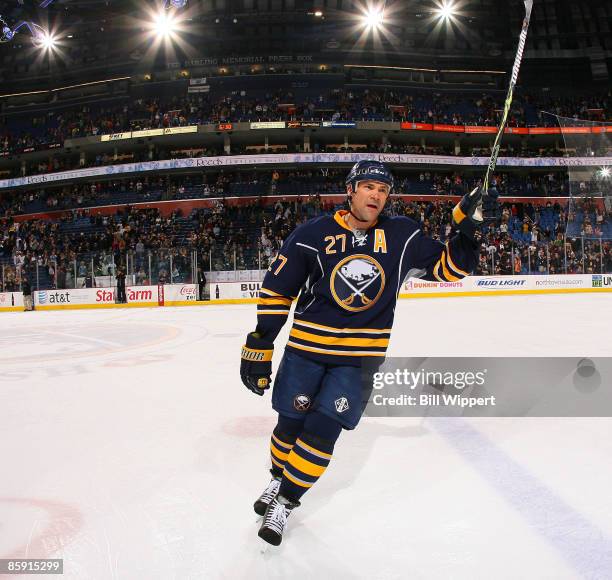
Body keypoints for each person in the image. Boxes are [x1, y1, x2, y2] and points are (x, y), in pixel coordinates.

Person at [240, 160, 483, 546]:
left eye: (383, 190)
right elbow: (277, 291)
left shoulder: (403, 235)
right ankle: (277, 480)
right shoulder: (311, 235)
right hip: (306, 351)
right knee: (289, 427)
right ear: (350, 190)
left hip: (358, 360)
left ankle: (286, 500)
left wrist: (467, 227)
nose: (376, 195)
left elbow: (451, 269)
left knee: (324, 432)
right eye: (369, 186)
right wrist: (260, 344)